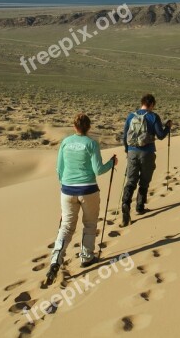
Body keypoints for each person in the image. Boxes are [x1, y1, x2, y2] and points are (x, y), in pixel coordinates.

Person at [46, 113, 118, 284]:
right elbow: (98, 170)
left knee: (66, 227)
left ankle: (55, 260)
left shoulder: (65, 142)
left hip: (67, 190)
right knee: (90, 224)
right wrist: (111, 163)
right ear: (89, 127)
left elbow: (59, 169)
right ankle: (86, 257)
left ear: (74, 126)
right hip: (88, 190)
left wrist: (64, 187)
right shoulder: (92, 143)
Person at [120, 94, 173, 227]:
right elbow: (160, 136)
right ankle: (140, 206)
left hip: (132, 152)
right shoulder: (153, 116)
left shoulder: (131, 116)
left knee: (131, 180)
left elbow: (125, 134)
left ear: (142, 102)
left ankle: (126, 203)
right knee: (144, 180)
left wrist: (128, 150)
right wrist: (167, 127)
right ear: (152, 104)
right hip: (147, 153)